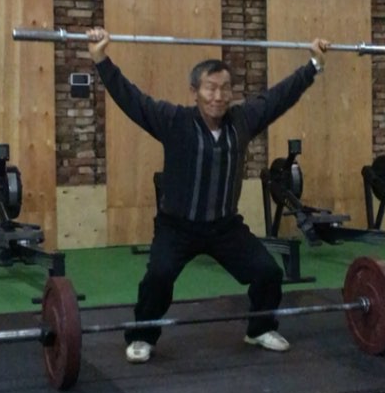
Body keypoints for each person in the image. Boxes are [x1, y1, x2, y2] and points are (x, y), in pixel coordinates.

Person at [87, 27, 329, 363]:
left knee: (268, 272)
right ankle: (142, 336)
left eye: (224, 89)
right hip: (177, 226)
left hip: (224, 227)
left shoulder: (243, 120)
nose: (218, 96)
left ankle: (259, 329)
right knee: (158, 276)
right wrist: (100, 59)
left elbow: (279, 97)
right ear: (195, 92)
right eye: (210, 88)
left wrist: (313, 65)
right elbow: (132, 99)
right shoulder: (173, 121)